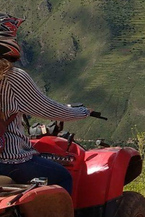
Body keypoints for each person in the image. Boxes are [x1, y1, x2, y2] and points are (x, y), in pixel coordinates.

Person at [0, 13, 90, 194]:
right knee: (63, 176)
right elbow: (49, 109)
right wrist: (83, 111)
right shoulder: (11, 77)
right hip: (10, 160)